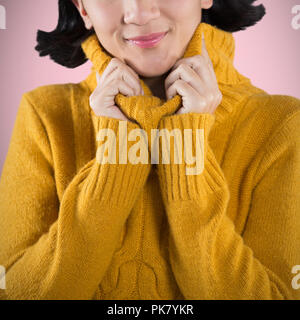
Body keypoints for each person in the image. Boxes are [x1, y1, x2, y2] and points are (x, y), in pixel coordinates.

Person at [0, 0, 300, 300]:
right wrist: (115, 158)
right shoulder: (45, 115)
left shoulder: (279, 125)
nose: (139, 13)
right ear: (83, 9)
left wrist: (186, 150)